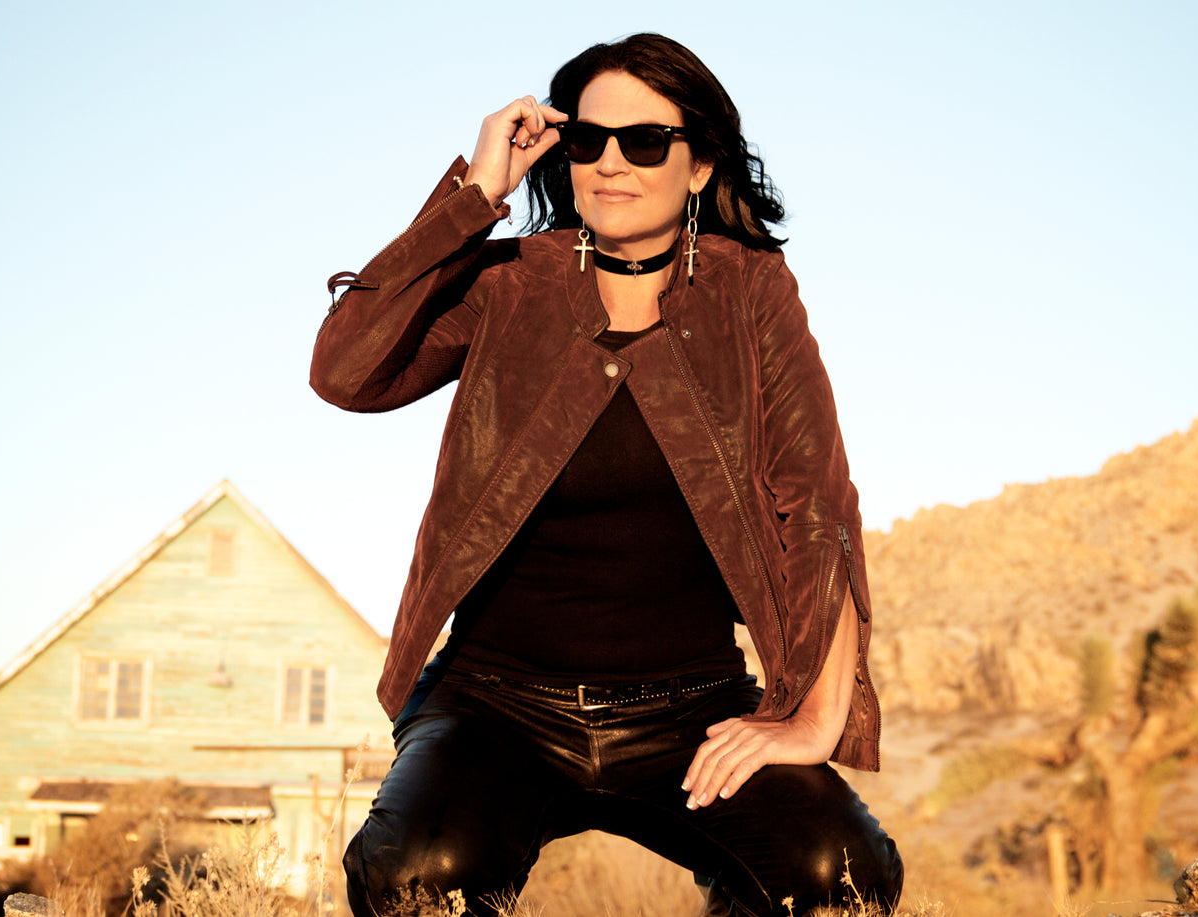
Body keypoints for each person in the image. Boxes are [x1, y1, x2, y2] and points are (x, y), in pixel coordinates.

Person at [311, 33, 903, 917]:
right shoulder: (512, 282)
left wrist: (813, 719)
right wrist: (476, 194)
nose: (611, 163)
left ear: (699, 164)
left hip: (690, 709)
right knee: (415, 877)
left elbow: (816, 508)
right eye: (588, 141)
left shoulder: (754, 294)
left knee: (837, 880)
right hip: (495, 703)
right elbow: (346, 372)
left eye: (645, 141)